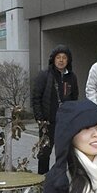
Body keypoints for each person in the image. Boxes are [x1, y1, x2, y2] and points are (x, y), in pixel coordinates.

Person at [31, 45, 79, 175]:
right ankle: (42, 182)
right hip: (48, 122)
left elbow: (74, 98)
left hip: (66, 123)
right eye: (58, 57)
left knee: (67, 153)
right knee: (44, 152)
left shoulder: (71, 77)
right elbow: (36, 98)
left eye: (64, 58)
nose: (61, 60)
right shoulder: (44, 75)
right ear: (53, 59)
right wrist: (40, 118)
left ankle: (67, 181)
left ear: (68, 60)